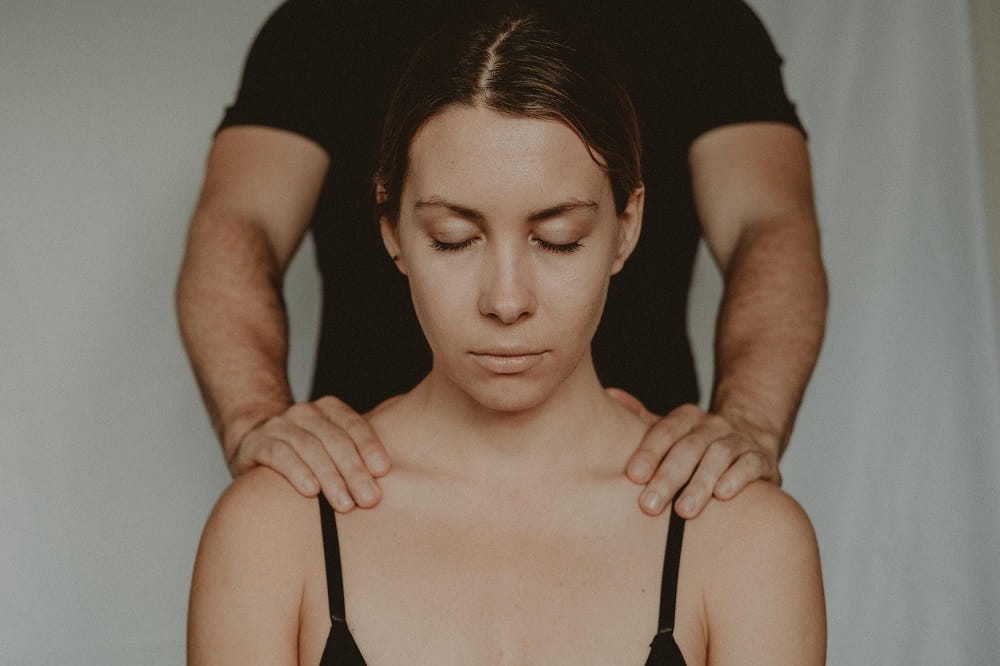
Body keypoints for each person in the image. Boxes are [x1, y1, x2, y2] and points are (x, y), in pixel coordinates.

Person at [187, 8, 826, 663]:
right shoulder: (273, 527)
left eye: (560, 239)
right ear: (392, 230)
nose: (506, 301)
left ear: (627, 226)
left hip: (668, 501)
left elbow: (768, 221)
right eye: (453, 239)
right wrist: (254, 421)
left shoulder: (744, 538)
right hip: (345, 490)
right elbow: (240, 220)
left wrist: (749, 424)